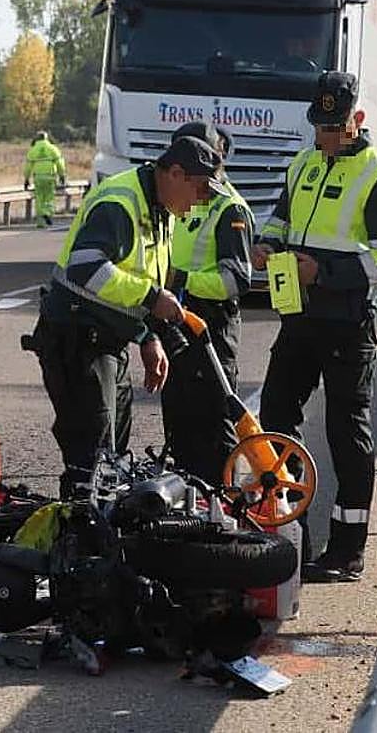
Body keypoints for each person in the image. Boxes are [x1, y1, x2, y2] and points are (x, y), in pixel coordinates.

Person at [252, 71, 377, 583]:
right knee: (275, 415)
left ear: (356, 120)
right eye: (319, 126)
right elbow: (280, 221)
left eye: (334, 127)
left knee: (345, 432)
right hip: (299, 317)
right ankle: (289, 526)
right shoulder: (302, 165)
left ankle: (347, 550)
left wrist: (323, 272)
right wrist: (267, 245)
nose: (325, 136)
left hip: (348, 324)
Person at [29, 135, 229, 500]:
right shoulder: (120, 203)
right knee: (91, 458)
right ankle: (75, 528)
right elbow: (86, 269)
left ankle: (98, 523)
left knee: (113, 456)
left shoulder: (162, 208)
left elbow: (140, 277)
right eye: (200, 189)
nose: (201, 200)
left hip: (108, 339)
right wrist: (151, 299)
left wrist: (147, 336)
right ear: (176, 174)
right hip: (77, 338)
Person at [160, 122, 254, 485]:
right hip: (177, 325)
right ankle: (187, 505)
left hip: (211, 330)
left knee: (215, 429)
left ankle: (224, 506)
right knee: (179, 426)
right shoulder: (175, 199)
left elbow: (236, 280)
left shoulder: (230, 209)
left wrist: (181, 279)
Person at [24, 131, 67, 228]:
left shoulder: (33, 150)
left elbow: (28, 167)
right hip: (50, 176)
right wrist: (62, 175)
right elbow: (60, 164)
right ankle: (47, 213)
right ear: (46, 138)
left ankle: (40, 222)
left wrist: (26, 179)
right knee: (49, 197)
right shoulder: (52, 148)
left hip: (38, 177)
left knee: (39, 198)